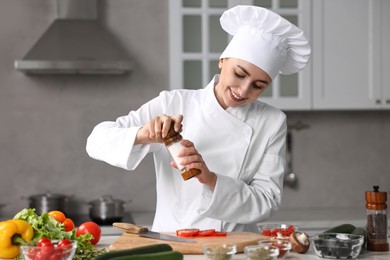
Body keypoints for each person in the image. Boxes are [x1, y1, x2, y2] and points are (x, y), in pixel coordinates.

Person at [86, 5, 311, 233]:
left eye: (258, 86)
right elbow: (96, 142)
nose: (243, 91)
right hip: (173, 242)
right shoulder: (173, 103)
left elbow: (267, 201)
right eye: (239, 74)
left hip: (237, 246)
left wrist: (210, 179)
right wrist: (143, 135)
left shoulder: (272, 122)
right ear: (223, 60)